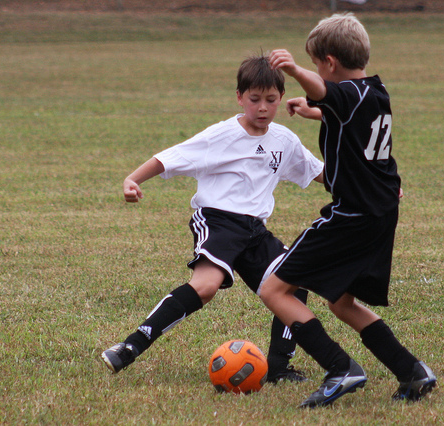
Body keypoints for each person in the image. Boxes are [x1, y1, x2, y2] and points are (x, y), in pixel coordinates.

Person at [101, 54, 325, 384]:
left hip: (255, 231)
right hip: (218, 220)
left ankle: (278, 368)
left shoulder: (284, 141)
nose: (262, 108)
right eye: (254, 99)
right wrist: (132, 179)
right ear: (239, 97)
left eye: (271, 100)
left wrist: (373, 185)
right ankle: (129, 347)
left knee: (295, 280)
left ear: (281, 98)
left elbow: (320, 173)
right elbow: (170, 158)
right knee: (206, 286)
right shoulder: (220, 136)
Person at [262, 13, 436, 408]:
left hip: (351, 215)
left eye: (315, 62)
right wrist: (315, 112)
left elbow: (325, 91)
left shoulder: (340, 91)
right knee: (342, 302)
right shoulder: (375, 91)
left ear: (328, 62)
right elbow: (347, 116)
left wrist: (293, 69)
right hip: (380, 212)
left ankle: (340, 368)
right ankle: (412, 371)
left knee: (273, 287)